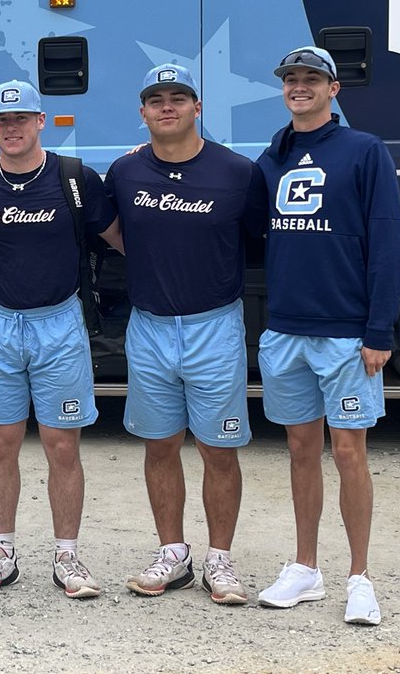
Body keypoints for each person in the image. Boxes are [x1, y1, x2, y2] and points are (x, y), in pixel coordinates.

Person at [253, 45, 400, 627]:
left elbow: (388, 243)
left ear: (333, 89)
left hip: (346, 336)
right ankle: (305, 569)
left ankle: (359, 578)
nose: (299, 86)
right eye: (290, 78)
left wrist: (378, 328)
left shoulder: (365, 151)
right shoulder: (272, 158)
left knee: (348, 453)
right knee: (299, 451)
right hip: (286, 331)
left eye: (311, 78)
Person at [104, 64, 266, 606]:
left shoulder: (237, 171)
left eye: (178, 97)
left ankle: (220, 560)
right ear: (143, 112)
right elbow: (115, 232)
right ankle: (173, 552)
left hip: (213, 326)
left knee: (219, 448)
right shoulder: (125, 173)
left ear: (198, 108)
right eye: (155, 99)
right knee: (159, 445)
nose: (166, 106)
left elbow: (263, 239)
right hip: (149, 326)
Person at [0, 80, 122, 599]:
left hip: (59, 322)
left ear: (40, 122)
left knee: (61, 447)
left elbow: (123, 239)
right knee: (0, 445)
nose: (12, 128)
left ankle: (67, 558)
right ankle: (2, 553)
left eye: (21, 119)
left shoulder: (75, 178)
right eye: (2, 121)